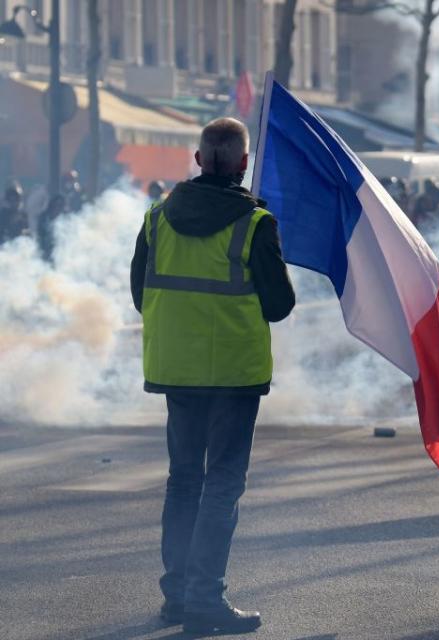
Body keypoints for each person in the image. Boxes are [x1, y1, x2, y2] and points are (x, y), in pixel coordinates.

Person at [129, 117, 295, 634]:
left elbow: (140, 293)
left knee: (183, 481)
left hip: (177, 370)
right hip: (232, 374)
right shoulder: (255, 223)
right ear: (244, 164)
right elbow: (280, 304)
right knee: (221, 485)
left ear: (198, 160)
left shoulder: (157, 218)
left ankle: (178, 595)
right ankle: (205, 599)